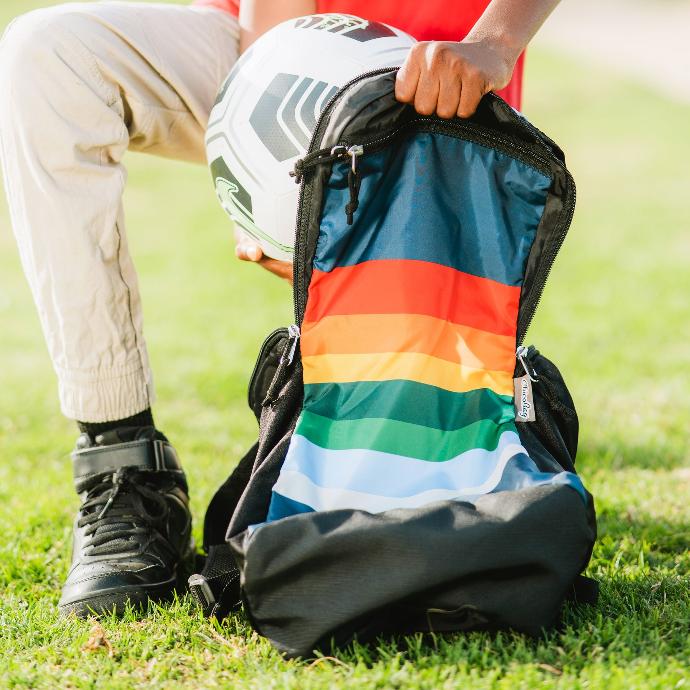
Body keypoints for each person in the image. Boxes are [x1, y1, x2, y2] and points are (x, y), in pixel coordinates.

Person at [0, 0, 562, 617]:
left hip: (442, 74)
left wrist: (495, 41)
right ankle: (126, 473)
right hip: (278, 46)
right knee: (48, 52)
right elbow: (275, 34)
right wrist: (264, 155)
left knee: (415, 378)